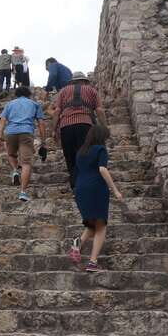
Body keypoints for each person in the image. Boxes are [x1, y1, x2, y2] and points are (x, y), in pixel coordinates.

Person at [68, 125, 123, 272]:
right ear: (101, 137)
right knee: (101, 225)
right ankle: (92, 262)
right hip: (96, 188)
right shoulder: (100, 149)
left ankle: (77, 244)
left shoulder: (81, 152)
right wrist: (116, 190)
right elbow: (102, 169)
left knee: (92, 224)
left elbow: (75, 172)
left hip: (80, 189)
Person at [50, 71, 108, 189]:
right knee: (85, 153)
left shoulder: (63, 91)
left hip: (66, 126)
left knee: (69, 155)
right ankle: (86, 180)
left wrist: (53, 129)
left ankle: (74, 182)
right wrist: (104, 127)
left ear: (72, 81)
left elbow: (57, 111)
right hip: (85, 125)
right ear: (84, 81)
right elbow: (99, 110)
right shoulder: (91, 90)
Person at [0, 86, 47, 202]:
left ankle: (15, 170)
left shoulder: (9, 104)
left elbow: (3, 120)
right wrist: (43, 141)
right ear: (28, 94)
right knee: (26, 163)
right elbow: (41, 123)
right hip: (26, 132)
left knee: (11, 154)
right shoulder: (34, 104)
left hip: (11, 132)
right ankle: (23, 192)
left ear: (16, 94)